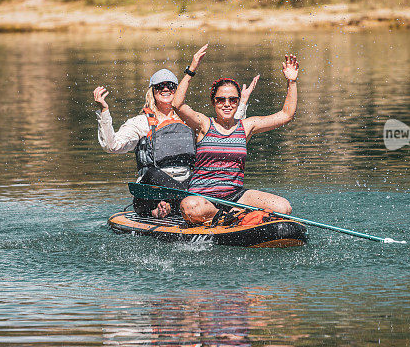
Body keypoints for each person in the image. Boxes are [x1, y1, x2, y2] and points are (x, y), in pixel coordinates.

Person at [94, 67, 258, 218]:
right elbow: (112, 145)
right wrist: (104, 110)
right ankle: (162, 207)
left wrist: (242, 103)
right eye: (160, 86)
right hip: (152, 189)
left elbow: (227, 135)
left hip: (187, 187)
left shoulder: (190, 121)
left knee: (201, 179)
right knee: (153, 173)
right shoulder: (141, 122)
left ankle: (174, 206)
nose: (166, 89)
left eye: (171, 86)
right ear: (153, 91)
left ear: (177, 90)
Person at [171, 45, 298, 224]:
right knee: (189, 207)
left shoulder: (247, 127)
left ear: (238, 102)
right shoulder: (203, 124)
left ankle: (233, 214)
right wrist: (191, 69)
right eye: (221, 100)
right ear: (213, 102)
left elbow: (286, 115)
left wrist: (291, 82)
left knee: (284, 208)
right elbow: (177, 105)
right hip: (203, 199)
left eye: (233, 100)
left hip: (236, 197)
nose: (227, 104)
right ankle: (226, 216)